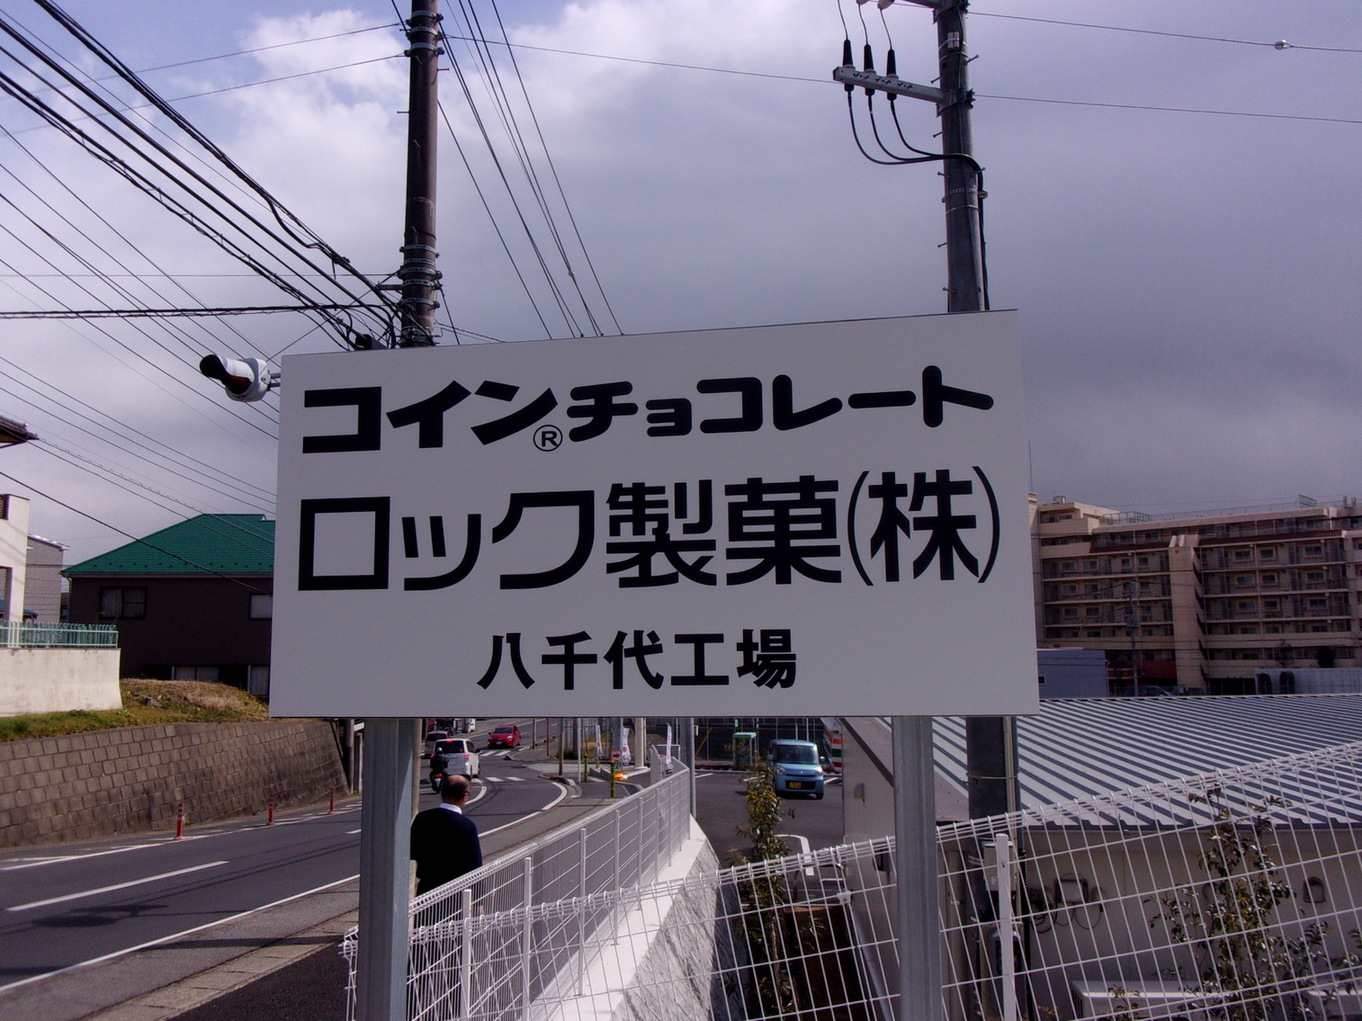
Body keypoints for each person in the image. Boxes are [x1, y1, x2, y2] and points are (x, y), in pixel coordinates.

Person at [409, 773, 483, 895]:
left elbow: (412, 852)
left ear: (442, 793)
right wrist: (478, 901)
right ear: (465, 796)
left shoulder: (422, 818)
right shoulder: (467, 826)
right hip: (457, 892)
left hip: (427, 891)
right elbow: (475, 866)